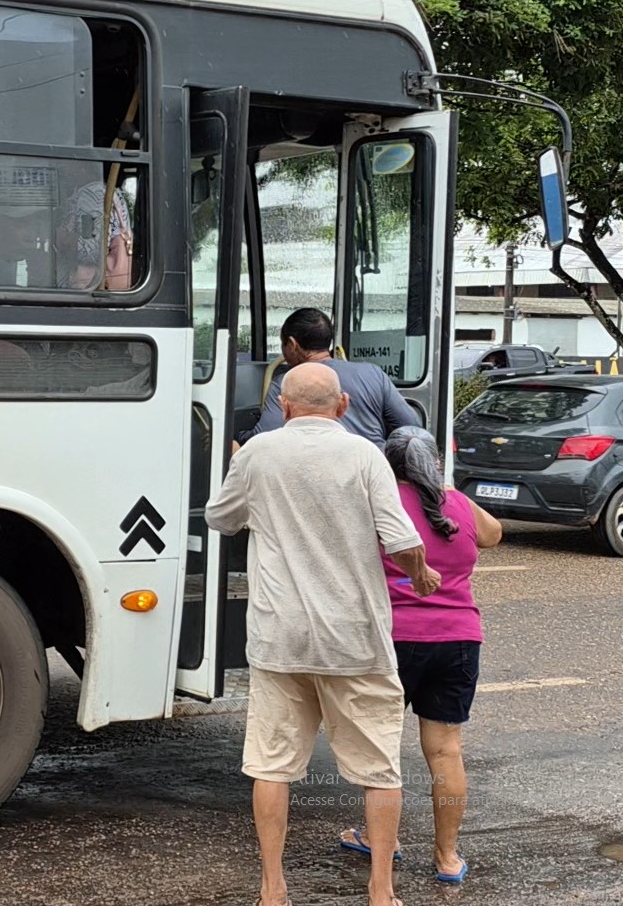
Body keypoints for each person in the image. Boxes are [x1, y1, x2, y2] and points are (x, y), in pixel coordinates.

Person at [205, 362, 441, 906]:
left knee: (271, 766)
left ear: (284, 407)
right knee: (379, 770)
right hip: (355, 640)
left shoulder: (259, 453)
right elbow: (400, 539)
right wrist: (421, 573)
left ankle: (273, 889)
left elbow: (221, 519)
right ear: (342, 406)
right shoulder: (365, 455)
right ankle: (381, 890)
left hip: (280, 638)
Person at [339, 425, 503, 886]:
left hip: (395, 641)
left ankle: (379, 840)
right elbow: (493, 535)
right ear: (434, 463)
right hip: (459, 641)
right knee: (447, 751)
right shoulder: (458, 505)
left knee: (381, 750)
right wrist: (451, 493)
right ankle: (447, 857)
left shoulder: (380, 505)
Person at [242, 308, 417, 447]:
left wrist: (236, 436)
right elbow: (412, 428)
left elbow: (263, 438)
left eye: (284, 345)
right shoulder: (373, 373)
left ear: (293, 345)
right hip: (371, 478)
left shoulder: (286, 382)